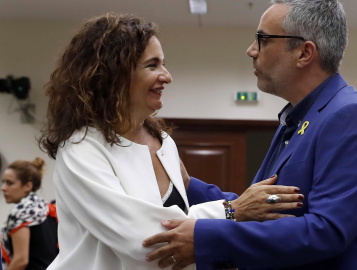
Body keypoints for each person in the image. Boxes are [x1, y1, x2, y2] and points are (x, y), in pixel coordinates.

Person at [142, 0, 357, 269]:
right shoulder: (297, 119)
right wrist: (186, 185)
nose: (251, 50)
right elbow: (264, 209)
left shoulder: (352, 117)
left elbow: (325, 231)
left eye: (263, 39)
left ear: (304, 53)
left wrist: (206, 237)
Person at [37, 13, 302, 270]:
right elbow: (148, 245)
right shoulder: (81, 149)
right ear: (113, 75)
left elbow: (182, 246)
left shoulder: (163, 142)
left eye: (163, 63)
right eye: (152, 65)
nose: (167, 76)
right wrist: (232, 211)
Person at [1, 157, 58, 270]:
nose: (3, 188)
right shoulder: (48, 211)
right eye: (3, 182)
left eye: (9, 183)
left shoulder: (21, 213)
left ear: (28, 186)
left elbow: (21, 260)